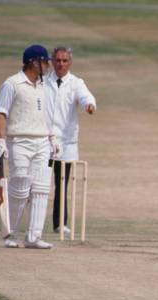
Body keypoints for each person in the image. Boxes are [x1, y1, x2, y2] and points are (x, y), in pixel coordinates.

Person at [0, 44, 62, 249]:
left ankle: (33, 237)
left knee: (41, 189)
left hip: (41, 142)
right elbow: (0, 112)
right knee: (20, 187)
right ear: (33, 62)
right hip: (18, 141)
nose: (48, 65)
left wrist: (51, 137)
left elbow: (45, 115)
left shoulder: (43, 85)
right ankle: (9, 233)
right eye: (45, 61)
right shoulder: (12, 83)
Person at [45, 46, 96, 235]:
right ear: (52, 61)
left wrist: (89, 105)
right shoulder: (43, 81)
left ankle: (60, 224)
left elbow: (85, 96)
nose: (61, 64)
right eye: (57, 60)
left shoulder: (76, 82)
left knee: (62, 183)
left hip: (66, 142)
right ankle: (32, 223)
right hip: (43, 140)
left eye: (65, 61)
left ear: (70, 63)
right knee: (37, 184)